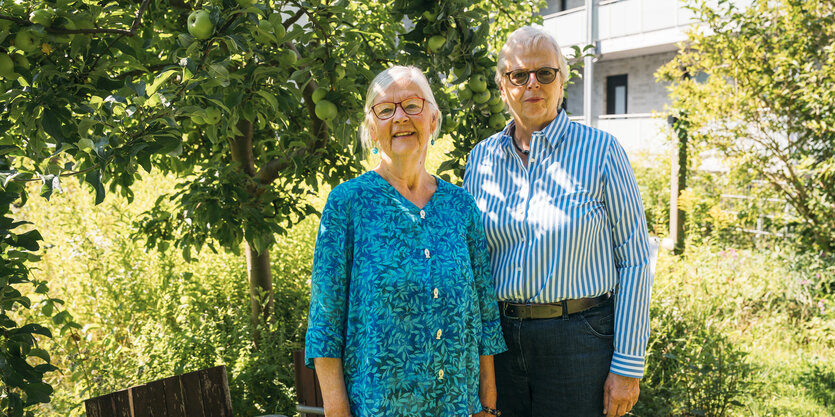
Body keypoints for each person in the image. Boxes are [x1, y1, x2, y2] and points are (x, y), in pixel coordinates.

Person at [463, 26, 653, 417]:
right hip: (499, 341)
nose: (532, 83)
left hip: (579, 339)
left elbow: (635, 258)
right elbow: (473, 263)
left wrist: (628, 365)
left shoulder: (602, 152)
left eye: (545, 73)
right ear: (503, 86)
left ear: (561, 82)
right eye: (518, 75)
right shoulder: (480, 159)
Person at [305, 65, 507, 417]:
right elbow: (325, 325)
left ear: (432, 119)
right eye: (385, 110)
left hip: (459, 407)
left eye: (412, 105)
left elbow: (485, 315)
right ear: (371, 127)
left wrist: (487, 406)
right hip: (380, 407)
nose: (399, 117)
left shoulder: (461, 206)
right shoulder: (347, 204)